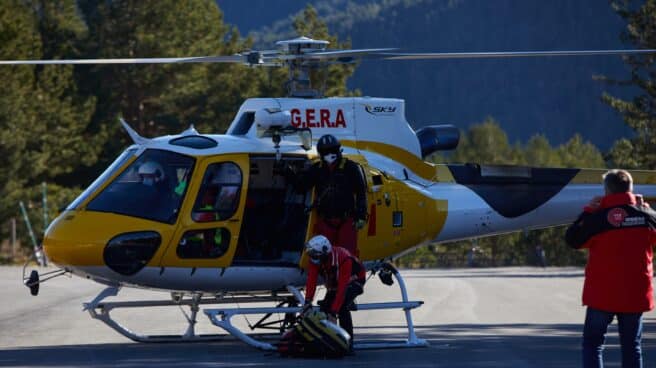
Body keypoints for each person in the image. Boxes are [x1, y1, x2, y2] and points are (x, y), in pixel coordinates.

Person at [565, 169, 656, 368]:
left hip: (601, 295)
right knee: (632, 346)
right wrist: (647, 209)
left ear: (606, 190)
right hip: (635, 294)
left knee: (593, 345)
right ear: (631, 189)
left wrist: (588, 211)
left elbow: (572, 239)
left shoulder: (596, 219)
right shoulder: (646, 217)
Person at [288, 134, 368, 256]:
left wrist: (361, 215)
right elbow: (301, 187)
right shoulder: (317, 169)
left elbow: (361, 192)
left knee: (346, 256)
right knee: (325, 256)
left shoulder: (350, 168)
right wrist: (288, 173)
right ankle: (330, 275)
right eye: (326, 151)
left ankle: (349, 275)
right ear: (321, 154)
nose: (330, 154)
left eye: (333, 150)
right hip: (325, 221)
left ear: (338, 150)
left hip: (346, 221)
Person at [302, 235, 366, 351]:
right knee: (324, 308)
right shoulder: (317, 259)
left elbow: (342, 289)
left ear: (325, 252)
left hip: (354, 280)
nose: (312, 257)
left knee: (342, 307)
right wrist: (307, 301)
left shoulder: (343, 258)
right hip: (336, 283)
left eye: (314, 254)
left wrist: (334, 312)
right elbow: (311, 279)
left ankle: (348, 343)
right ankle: (326, 340)